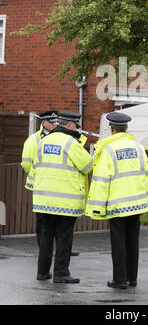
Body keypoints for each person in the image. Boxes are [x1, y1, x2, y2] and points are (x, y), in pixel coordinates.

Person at [85, 111, 148, 290]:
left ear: (111, 128)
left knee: (118, 243)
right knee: (133, 242)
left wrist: (98, 207)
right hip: (135, 203)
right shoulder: (138, 147)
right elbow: (146, 174)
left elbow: (101, 180)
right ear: (127, 128)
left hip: (117, 205)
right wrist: (143, 200)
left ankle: (120, 280)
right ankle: (132, 278)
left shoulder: (108, 149)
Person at [28, 111, 93, 283]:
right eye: (76, 126)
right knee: (64, 237)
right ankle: (61, 273)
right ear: (71, 125)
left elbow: (35, 168)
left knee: (46, 236)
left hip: (43, 200)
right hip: (65, 201)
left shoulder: (43, 141)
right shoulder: (71, 143)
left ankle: (42, 273)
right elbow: (87, 166)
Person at [22, 110, 58, 246]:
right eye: (51, 121)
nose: (54, 124)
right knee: (42, 219)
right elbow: (26, 163)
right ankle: (43, 247)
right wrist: (37, 176)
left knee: (60, 219)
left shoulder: (62, 137)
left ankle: (62, 247)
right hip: (42, 184)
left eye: (56, 121)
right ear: (43, 122)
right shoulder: (34, 139)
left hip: (58, 184)